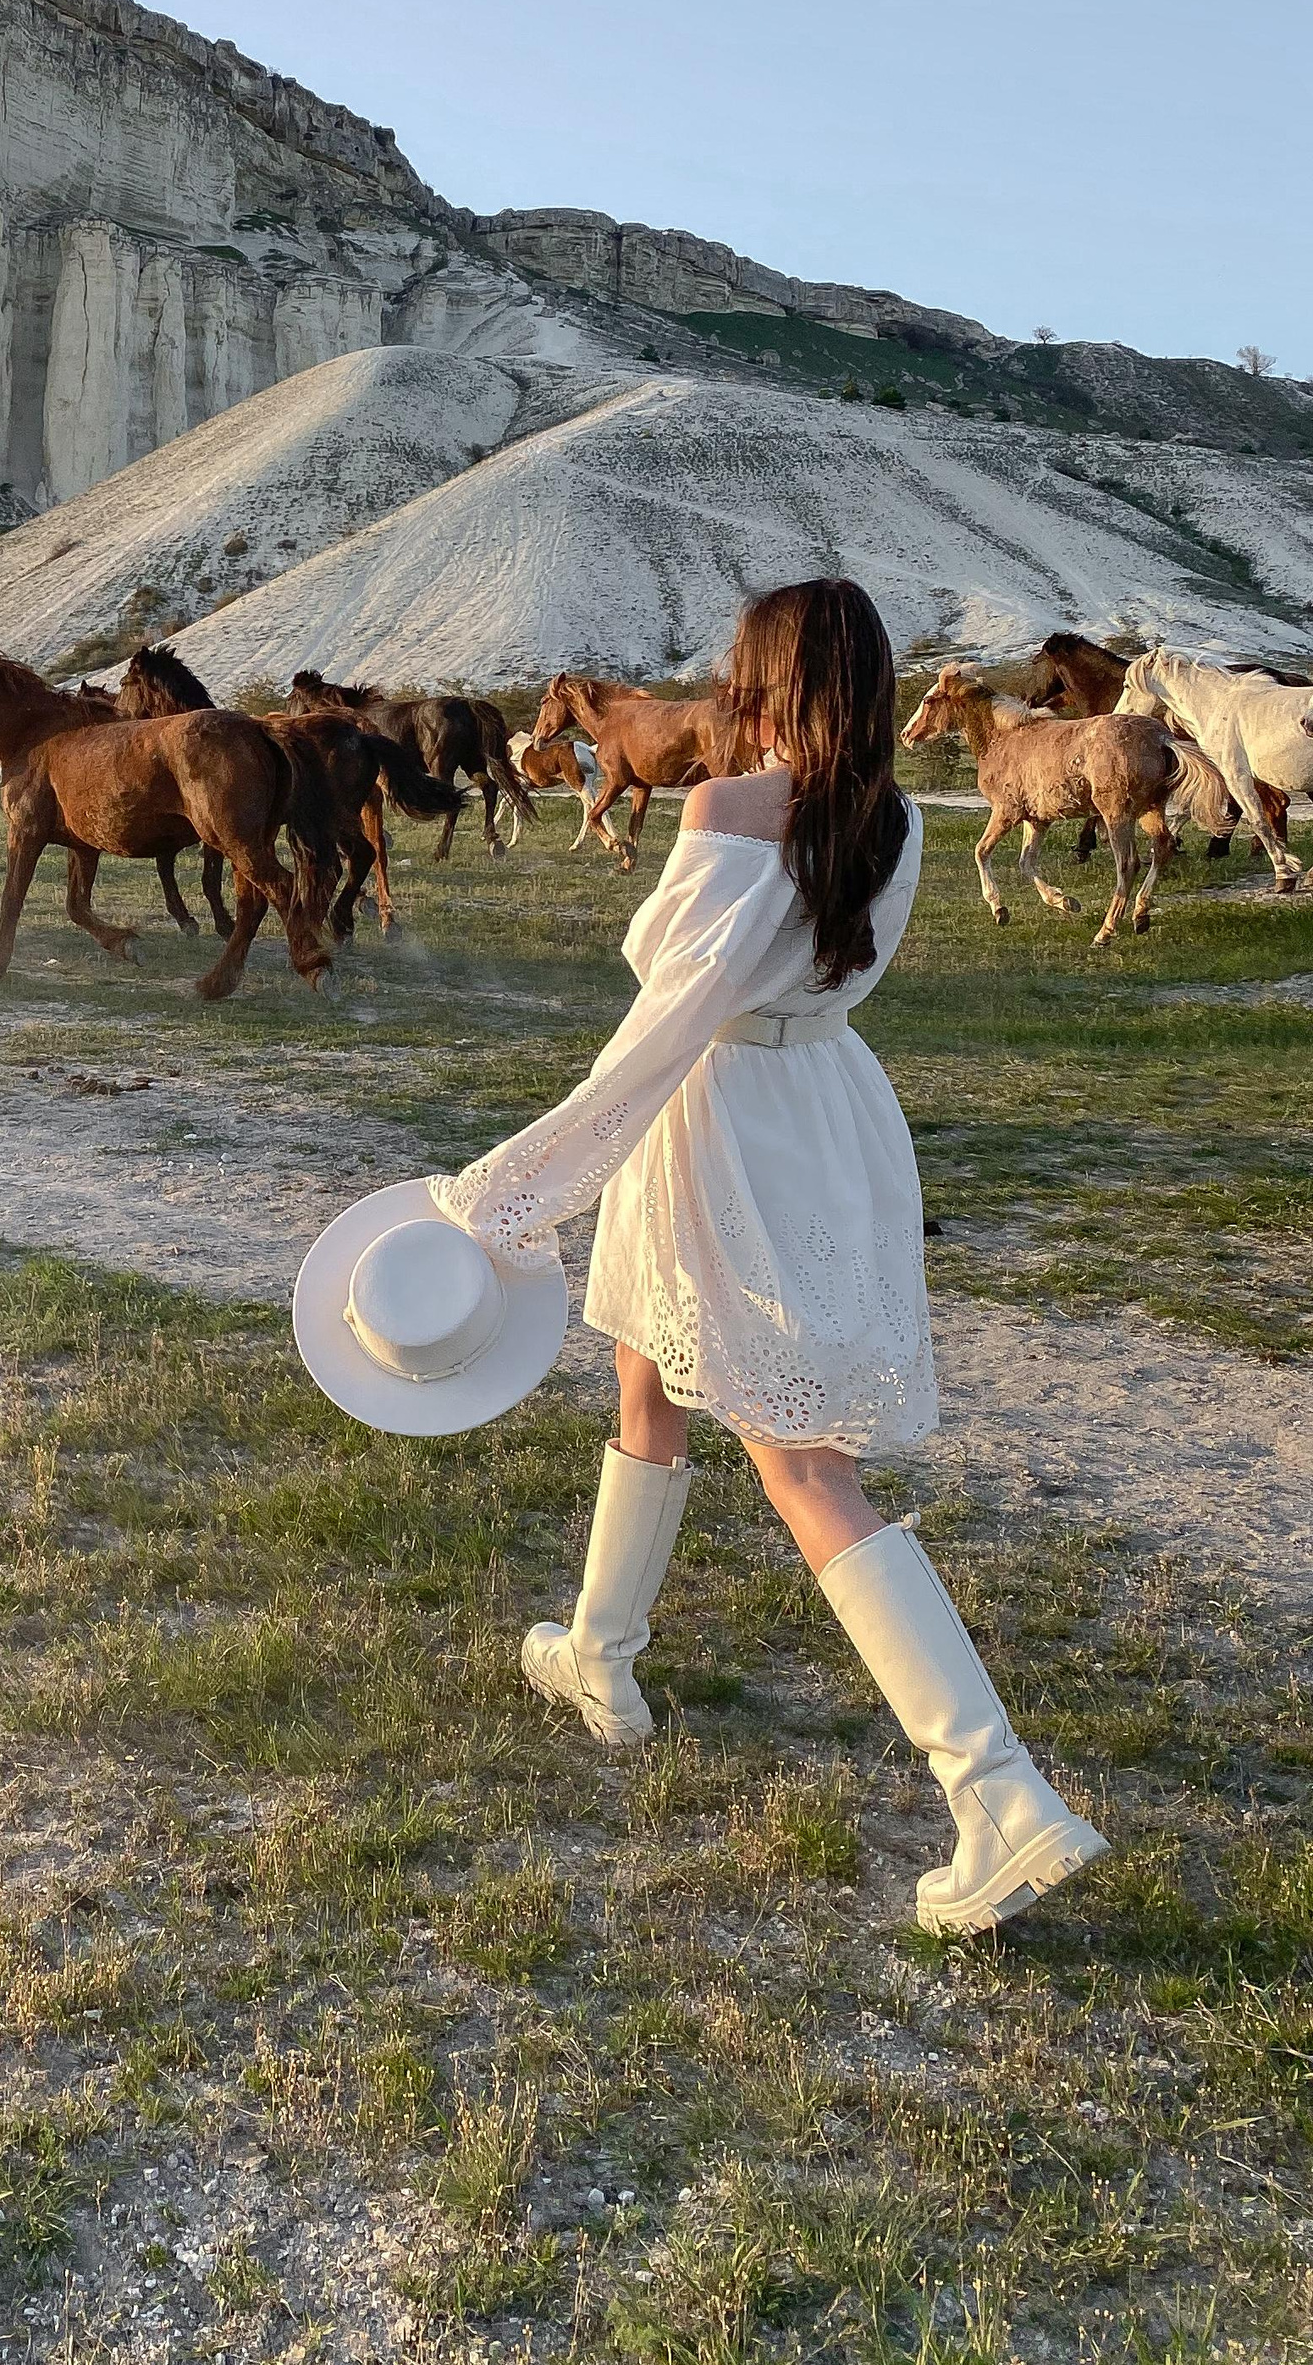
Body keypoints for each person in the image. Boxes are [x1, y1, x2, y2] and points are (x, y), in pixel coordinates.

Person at [430, 578, 1105, 1936]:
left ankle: (999, 1793)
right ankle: (600, 1652)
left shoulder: (729, 809)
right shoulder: (899, 819)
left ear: (773, 681)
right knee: (647, 1370)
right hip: (829, 1107)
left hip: (721, 1115)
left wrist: (520, 1181)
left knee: (801, 1464)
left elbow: (666, 1006)